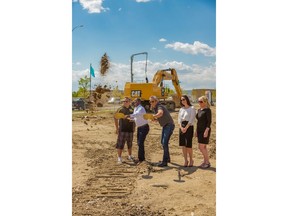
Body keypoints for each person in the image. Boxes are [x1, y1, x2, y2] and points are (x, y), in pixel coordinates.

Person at [149, 96, 175, 167]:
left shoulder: (159, 106)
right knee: (163, 142)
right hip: (165, 126)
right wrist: (155, 119)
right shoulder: (155, 108)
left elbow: (160, 113)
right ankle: (167, 158)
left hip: (169, 125)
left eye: (153, 101)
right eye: (150, 101)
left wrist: (154, 116)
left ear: (156, 101)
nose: (151, 103)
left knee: (164, 142)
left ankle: (164, 161)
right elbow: (160, 117)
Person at [114, 97, 135, 164]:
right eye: (124, 101)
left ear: (129, 102)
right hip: (122, 129)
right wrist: (117, 128)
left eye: (126, 101)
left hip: (130, 129)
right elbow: (115, 118)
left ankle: (130, 156)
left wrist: (134, 127)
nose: (125, 102)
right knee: (120, 144)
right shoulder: (120, 109)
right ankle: (119, 158)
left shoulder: (132, 109)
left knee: (130, 144)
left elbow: (134, 118)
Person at [129, 98, 150, 164]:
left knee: (140, 143)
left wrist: (128, 115)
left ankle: (141, 159)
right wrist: (130, 118)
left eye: (135, 101)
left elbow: (137, 115)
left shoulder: (141, 108)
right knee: (139, 143)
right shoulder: (135, 108)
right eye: (133, 101)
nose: (133, 102)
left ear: (138, 102)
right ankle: (141, 158)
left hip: (144, 127)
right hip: (140, 128)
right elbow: (135, 117)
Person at [178, 95, 196, 167]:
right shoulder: (181, 109)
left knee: (188, 145)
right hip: (182, 126)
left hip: (189, 126)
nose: (183, 101)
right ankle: (186, 160)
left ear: (187, 100)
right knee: (183, 145)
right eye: (181, 100)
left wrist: (186, 127)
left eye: (184, 99)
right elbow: (179, 119)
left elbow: (192, 119)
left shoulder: (192, 108)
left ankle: (191, 160)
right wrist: (181, 127)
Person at [195, 95, 212, 168]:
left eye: (201, 101)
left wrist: (206, 131)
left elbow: (209, 122)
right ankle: (205, 161)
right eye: (198, 101)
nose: (199, 103)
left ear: (205, 102)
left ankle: (207, 162)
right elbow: (198, 121)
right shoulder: (199, 110)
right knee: (202, 147)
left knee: (201, 147)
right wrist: (196, 130)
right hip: (199, 130)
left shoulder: (207, 110)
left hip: (205, 130)